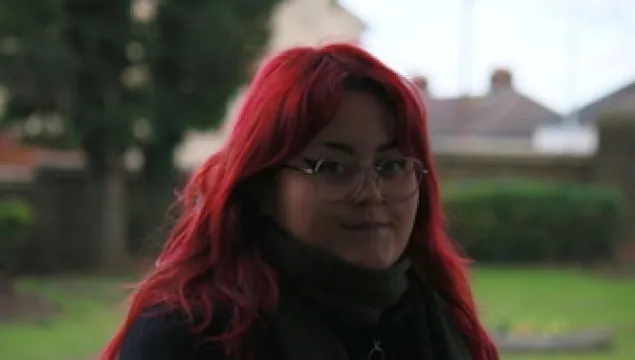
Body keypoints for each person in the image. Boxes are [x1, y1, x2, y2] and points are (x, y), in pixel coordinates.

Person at [101, 43, 499, 360]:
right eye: (333, 167)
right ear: (264, 186)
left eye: (392, 165)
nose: (371, 194)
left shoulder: (437, 318)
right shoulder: (191, 333)